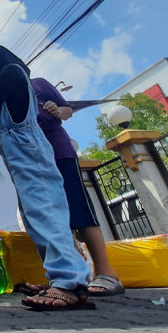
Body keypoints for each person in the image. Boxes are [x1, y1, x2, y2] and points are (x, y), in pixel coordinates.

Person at [0, 43, 94, 311]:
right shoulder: (7, 84)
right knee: (36, 218)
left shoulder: (13, 73)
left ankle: (69, 283)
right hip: (21, 160)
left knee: (46, 213)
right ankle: (61, 279)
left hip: (31, 156)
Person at [29, 77, 124, 297]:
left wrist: (56, 110)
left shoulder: (38, 84)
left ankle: (107, 272)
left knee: (78, 210)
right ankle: (68, 277)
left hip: (59, 153)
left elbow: (67, 110)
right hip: (35, 161)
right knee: (53, 219)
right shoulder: (7, 94)